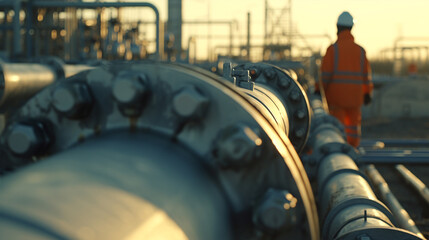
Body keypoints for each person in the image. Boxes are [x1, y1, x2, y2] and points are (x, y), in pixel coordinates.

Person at [315, 11, 373, 147]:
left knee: (338, 129)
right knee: (353, 129)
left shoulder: (332, 50)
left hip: (336, 99)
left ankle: (338, 154)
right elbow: (366, 77)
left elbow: (325, 75)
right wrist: (367, 94)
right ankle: (354, 151)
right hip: (355, 99)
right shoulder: (360, 51)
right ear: (351, 28)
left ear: (337, 27)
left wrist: (318, 90)